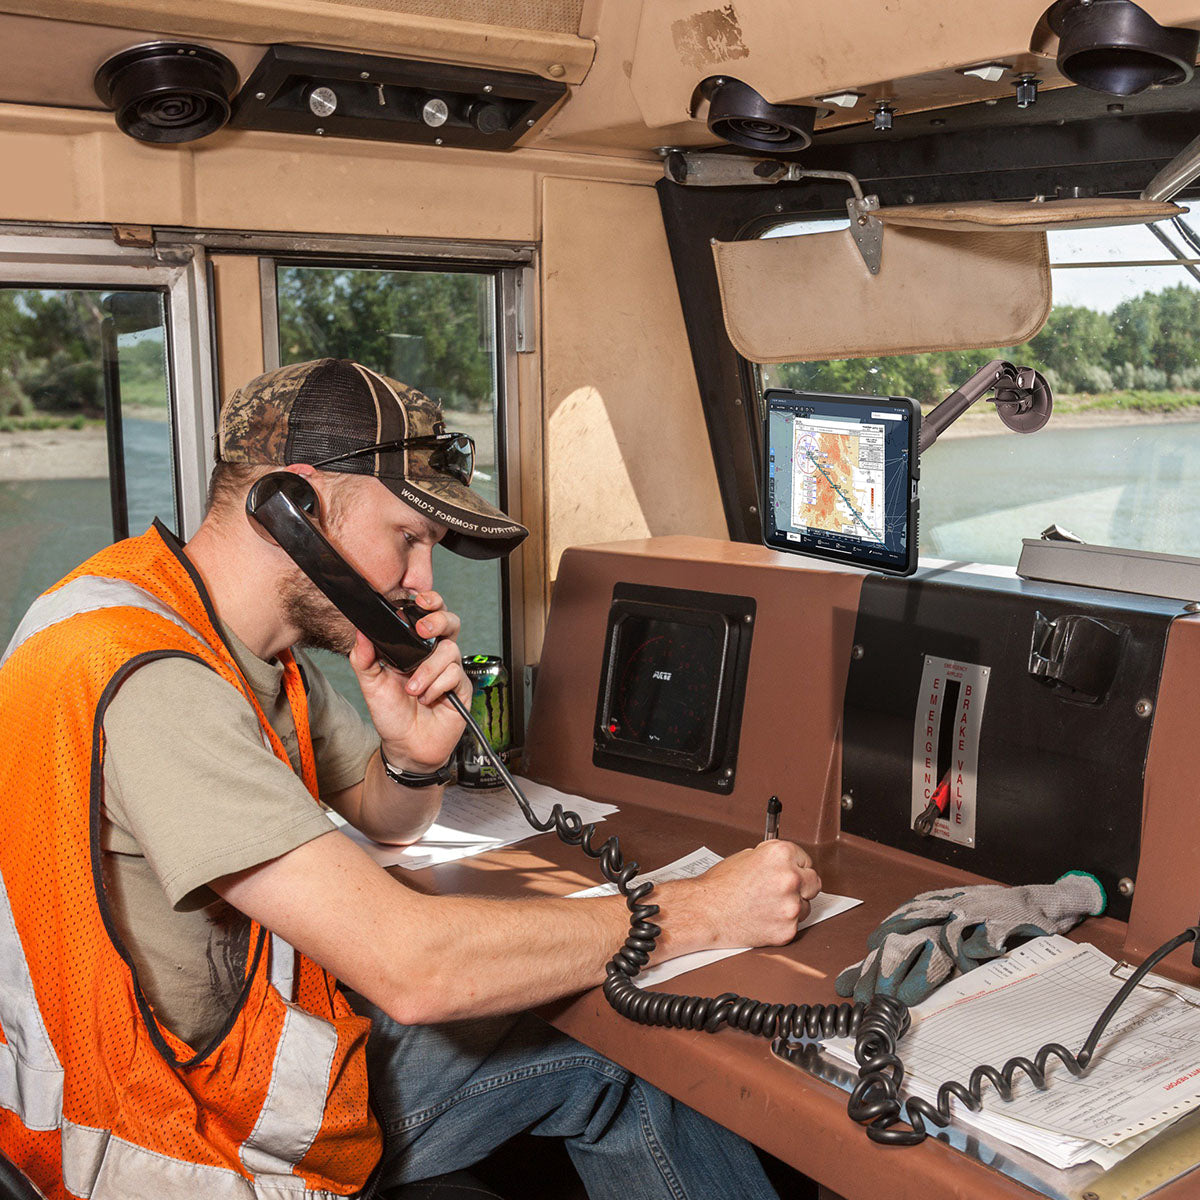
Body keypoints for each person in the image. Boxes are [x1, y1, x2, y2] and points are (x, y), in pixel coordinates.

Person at [0, 357, 822, 1199]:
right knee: (618, 1051)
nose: (421, 584)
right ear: (296, 506)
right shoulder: (156, 680)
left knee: (606, 1040)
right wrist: (696, 911)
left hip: (219, 1072)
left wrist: (414, 754)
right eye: (409, 539)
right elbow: (412, 970)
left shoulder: (223, 634)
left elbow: (387, 821)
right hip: (173, 1144)